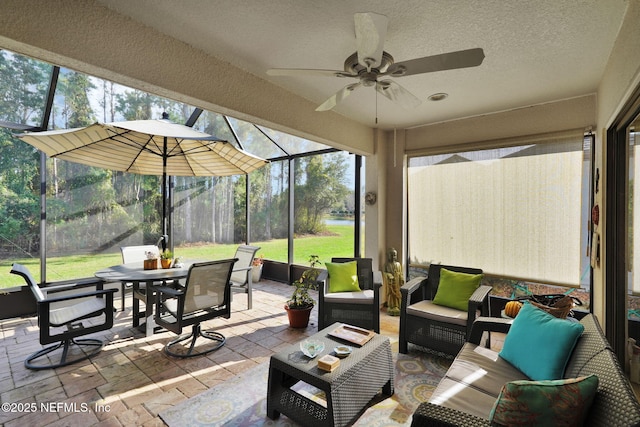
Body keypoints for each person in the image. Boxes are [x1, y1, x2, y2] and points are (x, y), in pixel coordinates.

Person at [384, 247, 404, 316]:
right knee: (391, 294)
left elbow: (400, 273)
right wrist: (389, 275)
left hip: (397, 282)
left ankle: (397, 306)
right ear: (388, 256)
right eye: (391, 255)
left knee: (397, 294)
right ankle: (391, 306)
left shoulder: (398, 264)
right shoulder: (387, 265)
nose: (393, 257)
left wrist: (401, 278)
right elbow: (385, 272)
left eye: (394, 255)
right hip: (391, 283)